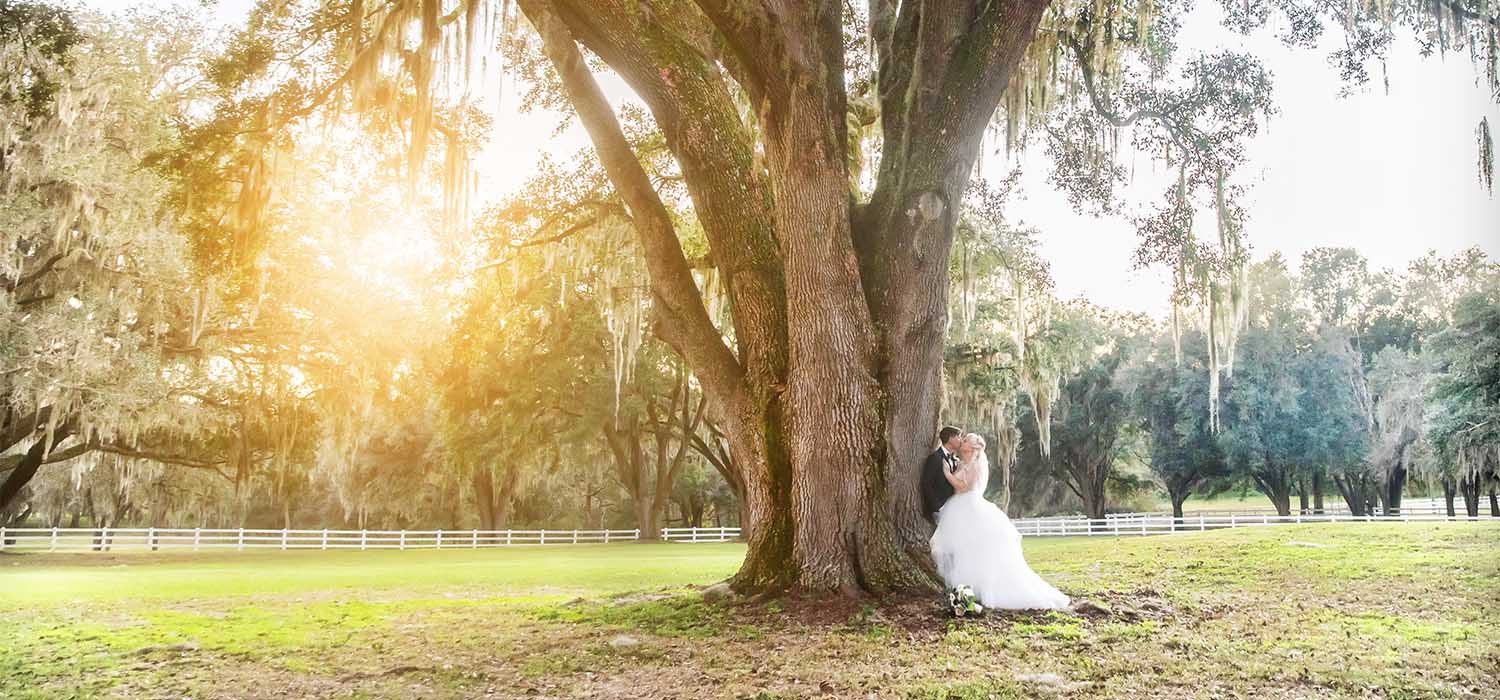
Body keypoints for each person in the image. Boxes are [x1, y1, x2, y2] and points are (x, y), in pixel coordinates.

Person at [928, 432, 1070, 610]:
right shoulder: (962, 462)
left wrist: (948, 474)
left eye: (966, 440)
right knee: (962, 551)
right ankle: (965, 595)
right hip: (958, 507)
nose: (962, 440)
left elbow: (966, 487)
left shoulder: (976, 464)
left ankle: (971, 596)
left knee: (970, 550)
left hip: (969, 507)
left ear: (973, 448)